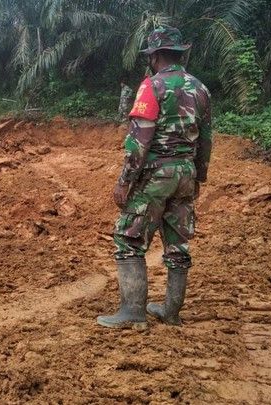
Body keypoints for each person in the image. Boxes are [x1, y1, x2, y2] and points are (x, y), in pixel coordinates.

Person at [97, 26, 212, 329]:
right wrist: (198, 177)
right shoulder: (200, 88)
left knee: (128, 237)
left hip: (156, 174)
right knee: (177, 244)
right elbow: (206, 140)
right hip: (186, 172)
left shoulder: (152, 86)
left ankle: (133, 311)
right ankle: (171, 312)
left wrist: (124, 181)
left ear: (157, 55)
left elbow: (139, 141)